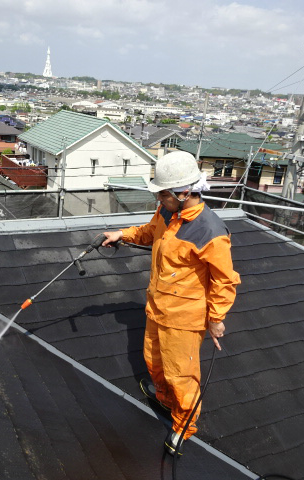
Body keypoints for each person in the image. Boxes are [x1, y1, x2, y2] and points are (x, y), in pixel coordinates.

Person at [102, 150, 240, 455]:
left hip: (184, 319)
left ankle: (184, 425)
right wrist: (121, 234)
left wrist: (216, 319)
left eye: (163, 194)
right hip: (157, 307)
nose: (159, 199)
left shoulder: (210, 231)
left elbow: (224, 280)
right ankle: (164, 399)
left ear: (184, 192)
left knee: (181, 374)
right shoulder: (167, 213)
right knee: (153, 360)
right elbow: (150, 232)